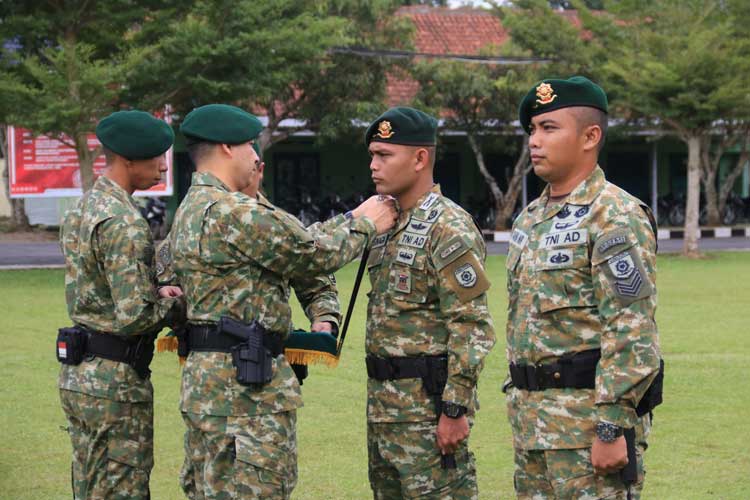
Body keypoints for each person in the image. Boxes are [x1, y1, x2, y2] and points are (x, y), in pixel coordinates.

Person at [169, 103, 397, 499]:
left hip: (208, 385)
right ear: (227, 147)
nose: (256, 157)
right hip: (246, 393)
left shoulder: (190, 209)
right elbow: (311, 254)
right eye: (249, 146)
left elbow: (294, 245)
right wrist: (365, 223)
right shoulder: (234, 211)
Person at [505, 76, 662, 499]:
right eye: (532, 130)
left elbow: (631, 328)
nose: (535, 140)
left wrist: (612, 424)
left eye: (549, 128)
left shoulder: (615, 215)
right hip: (533, 428)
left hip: (587, 430)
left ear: (590, 136)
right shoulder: (529, 219)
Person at [363, 106, 496, 499]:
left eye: (384, 155)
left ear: (420, 158)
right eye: (372, 155)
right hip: (384, 411)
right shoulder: (385, 225)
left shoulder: (447, 225)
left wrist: (455, 410)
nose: (373, 165)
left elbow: (471, 325)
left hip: (427, 412)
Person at [57, 110, 186, 499]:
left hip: (80, 373)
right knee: (121, 489)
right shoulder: (124, 222)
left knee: (90, 485)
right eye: (155, 158)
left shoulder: (84, 208)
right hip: (114, 382)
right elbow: (135, 317)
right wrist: (179, 305)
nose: (163, 167)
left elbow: (100, 288)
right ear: (128, 160)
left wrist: (152, 289)